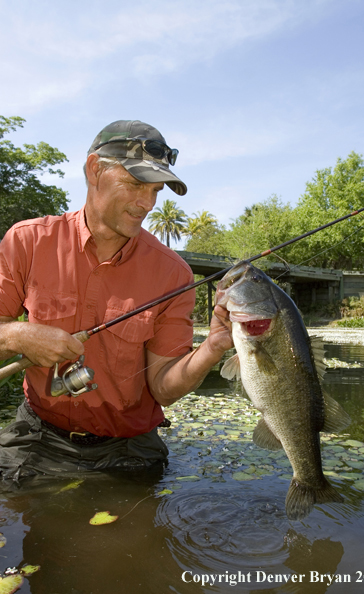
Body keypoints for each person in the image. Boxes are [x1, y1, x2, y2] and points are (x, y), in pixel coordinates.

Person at [0, 119, 233, 482]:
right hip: (38, 435)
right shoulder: (26, 242)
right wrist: (18, 336)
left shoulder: (174, 274)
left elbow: (163, 388)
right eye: (136, 184)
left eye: (156, 190)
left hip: (128, 449)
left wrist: (213, 348)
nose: (148, 203)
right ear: (95, 169)